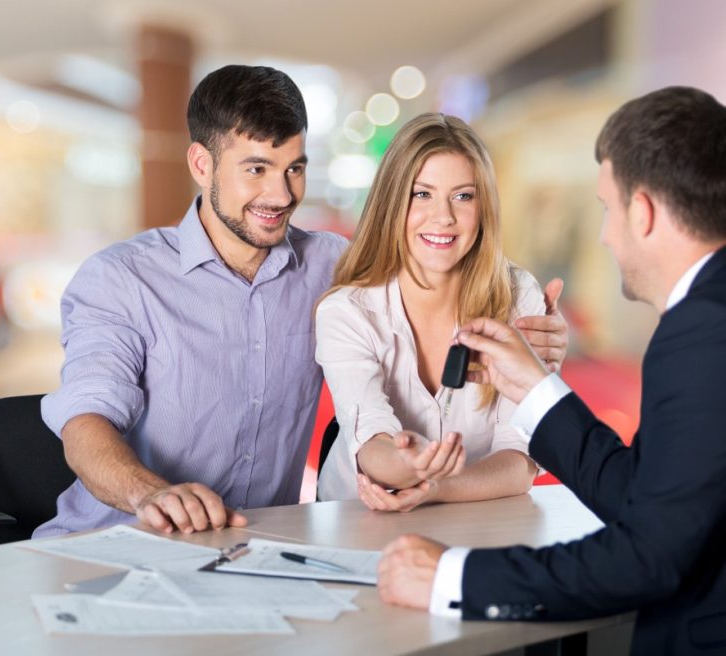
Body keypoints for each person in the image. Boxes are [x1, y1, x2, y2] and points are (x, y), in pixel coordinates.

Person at [34, 65, 568, 539]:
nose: (282, 194)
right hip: (116, 540)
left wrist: (545, 343)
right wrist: (150, 494)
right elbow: (85, 422)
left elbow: (429, 259)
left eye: (294, 168)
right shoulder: (121, 278)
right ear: (201, 164)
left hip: (257, 547)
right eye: (256, 169)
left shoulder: (335, 268)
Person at [376, 86, 726, 656]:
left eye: (608, 210)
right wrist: (535, 387)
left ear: (642, 213)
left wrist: (452, 577)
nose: (604, 236)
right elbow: (643, 495)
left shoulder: (703, 329)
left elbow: (648, 556)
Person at [316, 113, 555, 509]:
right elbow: (371, 440)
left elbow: (520, 459)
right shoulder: (347, 312)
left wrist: (435, 486)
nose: (444, 217)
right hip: (359, 518)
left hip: (475, 521)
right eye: (422, 194)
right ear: (392, 203)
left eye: (463, 196)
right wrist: (406, 464)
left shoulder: (517, 295)